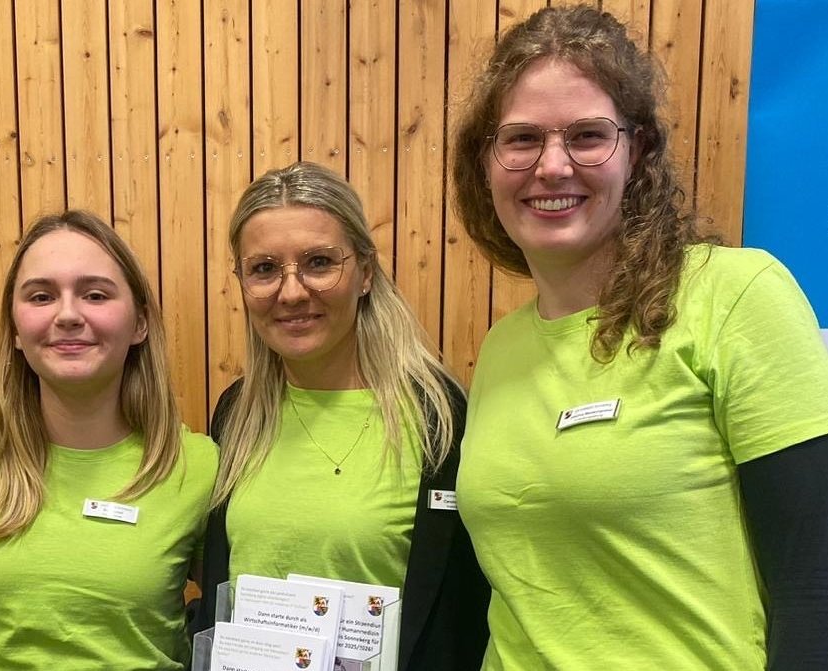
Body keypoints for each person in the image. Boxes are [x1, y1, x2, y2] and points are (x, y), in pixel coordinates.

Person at [451, 5, 828, 669]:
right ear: (485, 162)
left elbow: (813, 578)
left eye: (587, 136)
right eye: (521, 139)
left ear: (639, 149)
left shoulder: (736, 297)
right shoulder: (502, 349)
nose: (551, 166)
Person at [198, 161, 489, 670]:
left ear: (365, 272)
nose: (291, 292)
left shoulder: (438, 414)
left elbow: (465, 604)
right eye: (264, 268)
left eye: (318, 262)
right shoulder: (235, 414)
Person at [0, 210, 218, 669]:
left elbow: (226, 616)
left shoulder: (194, 465)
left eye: (95, 294)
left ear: (140, 324)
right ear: (15, 330)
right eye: (42, 296)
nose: (68, 315)